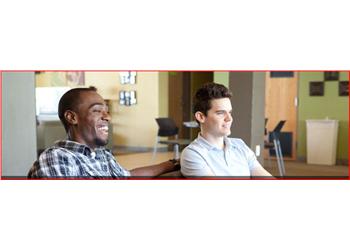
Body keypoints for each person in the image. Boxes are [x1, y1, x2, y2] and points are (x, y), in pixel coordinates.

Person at [28, 87, 179, 178]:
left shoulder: (102, 155)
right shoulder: (57, 158)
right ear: (72, 117)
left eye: (106, 111)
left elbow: (127, 176)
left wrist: (171, 164)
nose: (108, 117)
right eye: (97, 110)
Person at [180, 82, 272, 177]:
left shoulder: (240, 145)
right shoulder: (193, 154)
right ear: (201, 117)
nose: (229, 119)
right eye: (220, 113)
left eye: (230, 112)